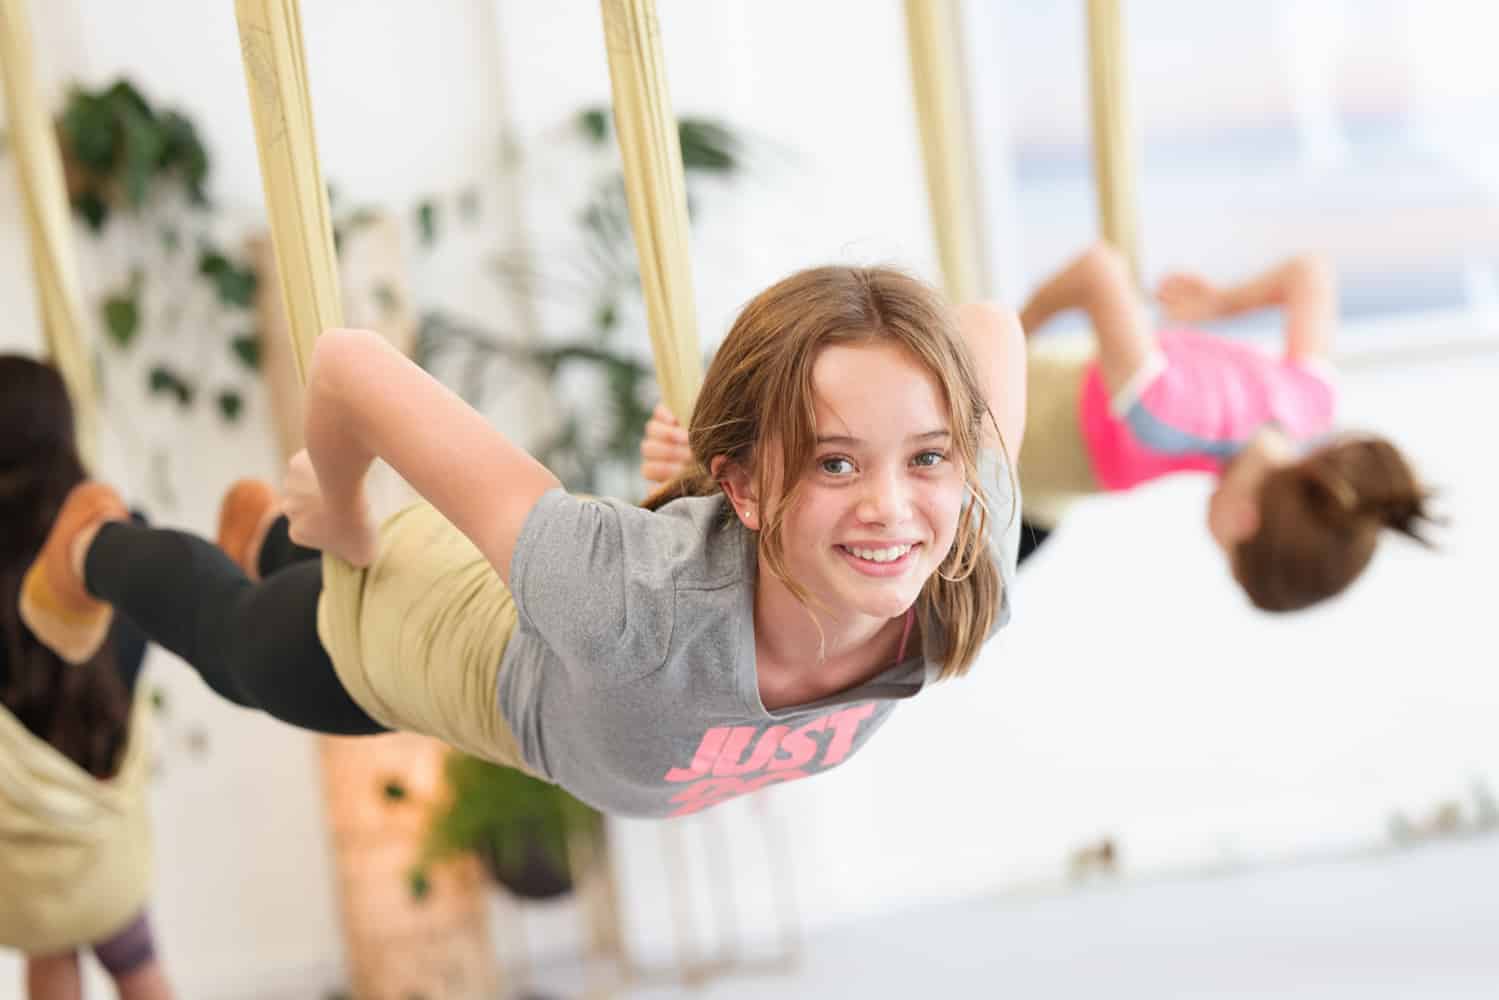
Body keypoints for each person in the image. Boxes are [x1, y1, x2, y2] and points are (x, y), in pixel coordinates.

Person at [20, 265, 1025, 820]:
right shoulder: (630, 602)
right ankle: (95, 542)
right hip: (438, 639)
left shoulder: (955, 557)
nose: (893, 510)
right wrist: (341, 507)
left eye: (927, 456)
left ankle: (280, 544)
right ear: (746, 489)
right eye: (836, 464)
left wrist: (777, 451)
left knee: (293, 581)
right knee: (241, 649)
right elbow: (346, 366)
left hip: (565, 628)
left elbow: (986, 325)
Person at [1010, 242, 1435, 610]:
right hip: (1020, 441)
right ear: (1245, 521)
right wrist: (1008, 335)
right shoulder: (1164, 415)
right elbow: (1098, 271)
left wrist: (1225, 304)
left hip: (1053, 489)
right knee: (965, 599)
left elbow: (1309, 273)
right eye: (1231, 559)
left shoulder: (1309, 407)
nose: (1221, 552)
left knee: (985, 599)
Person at [0, 356, 173, 1000]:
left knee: (53, 946)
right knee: (138, 963)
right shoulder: (120, 544)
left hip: (23, 871)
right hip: (106, 847)